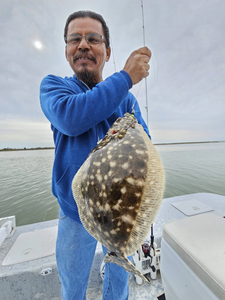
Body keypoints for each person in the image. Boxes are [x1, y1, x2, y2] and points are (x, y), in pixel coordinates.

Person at [40, 10, 151, 300]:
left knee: (119, 286)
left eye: (93, 39)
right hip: (76, 215)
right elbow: (71, 118)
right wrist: (125, 77)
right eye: (74, 39)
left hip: (121, 214)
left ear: (107, 50)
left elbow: (146, 149)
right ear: (66, 50)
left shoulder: (126, 98)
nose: (83, 45)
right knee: (73, 289)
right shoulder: (55, 87)